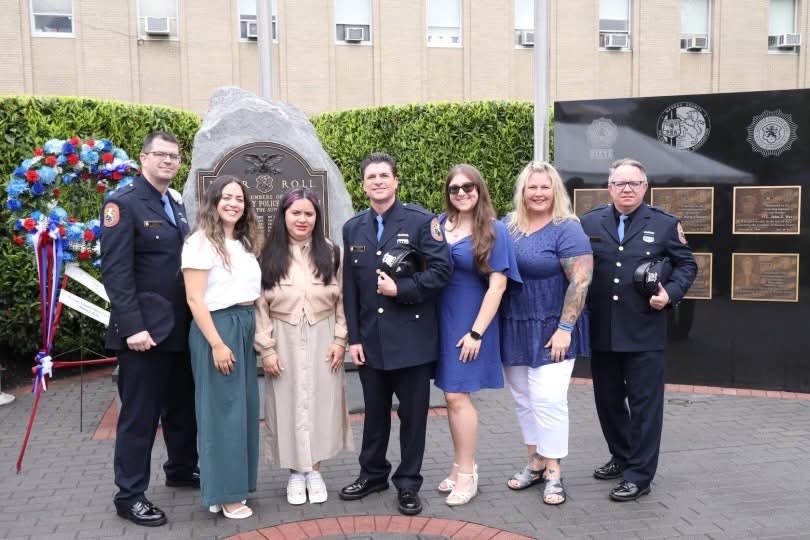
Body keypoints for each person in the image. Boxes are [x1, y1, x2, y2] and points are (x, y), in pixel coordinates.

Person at [339, 152, 451, 516]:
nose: (378, 182)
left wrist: (400, 289)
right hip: (371, 341)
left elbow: (441, 271)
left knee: (413, 418)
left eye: (384, 176)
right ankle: (372, 475)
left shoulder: (420, 221)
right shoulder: (353, 227)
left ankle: (408, 484)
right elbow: (351, 289)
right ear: (363, 185)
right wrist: (355, 339)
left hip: (412, 340)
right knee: (374, 415)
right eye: (371, 177)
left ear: (396, 181)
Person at [580, 158, 696, 502]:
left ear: (645, 187)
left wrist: (670, 294)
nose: (627, 189)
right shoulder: (589, 222)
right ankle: (621, 456)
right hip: (602, 329)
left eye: (634, 183)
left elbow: (687, 264)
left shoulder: (664, 224)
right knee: (608, 402)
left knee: (645, 407)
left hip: (644, 330)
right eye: (620, 183)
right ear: (609, 187)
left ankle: (639, 476)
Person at [100, 131, 198, 527]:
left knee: (182, 408)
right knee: (140, 417)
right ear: (143, 158)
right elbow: (116, 272)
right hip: (144, 335)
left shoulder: (175, 203)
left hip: (178, 330)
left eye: (174, 156)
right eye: (161, 154)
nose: (169, 161)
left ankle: (181, 468)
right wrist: (133, 328)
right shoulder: (123, 203)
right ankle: (129, 495)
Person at [500, 161, 593, 506]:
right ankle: (535, 461)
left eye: (545, 187)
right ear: (522, 191)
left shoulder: (566, 228)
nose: (538, 193)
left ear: (555, 190)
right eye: (532, 187)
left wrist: (565, 328)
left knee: (549, 400)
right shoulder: (507, 226)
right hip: (514, 325)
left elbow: (580, 280)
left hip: (553, 327)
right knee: (524, 399)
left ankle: (554, 471)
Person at [255, 188, 353, 506]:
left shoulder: (332, 252)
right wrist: (267, 349)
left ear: (317, 217)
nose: (302, 219)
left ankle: (315, 471)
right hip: (282, 337)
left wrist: (340, 339)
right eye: (295, 212)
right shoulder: (267, 255)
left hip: (323, 336)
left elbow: (343, 301)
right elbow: (259, 306)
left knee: (321, 404)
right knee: (286, 404)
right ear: (283, 215)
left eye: (309, 213)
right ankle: (296, 473)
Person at [434, 164, 520, 506]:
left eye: (468, 187)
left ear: (479, 189)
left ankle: (468, 474)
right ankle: (458, 466)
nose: (461, 193)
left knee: (457, 396)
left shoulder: (494, 230)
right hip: (440, 320)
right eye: (454, 188)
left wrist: (476, 332)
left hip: (470, 322)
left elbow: (498, 286)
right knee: (449, 396)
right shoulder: (438, 225)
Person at [181, 175, 262, 519]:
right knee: (222, 415)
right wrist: (216, 343)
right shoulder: (200, 243)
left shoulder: (242, 243)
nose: (233, 203)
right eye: (226, 197)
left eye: (239, 199)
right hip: (217, 329)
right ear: (213, 202)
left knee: (242, 411)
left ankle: (230, 486)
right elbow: (194, 299)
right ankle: (226, 495)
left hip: (243, 326)